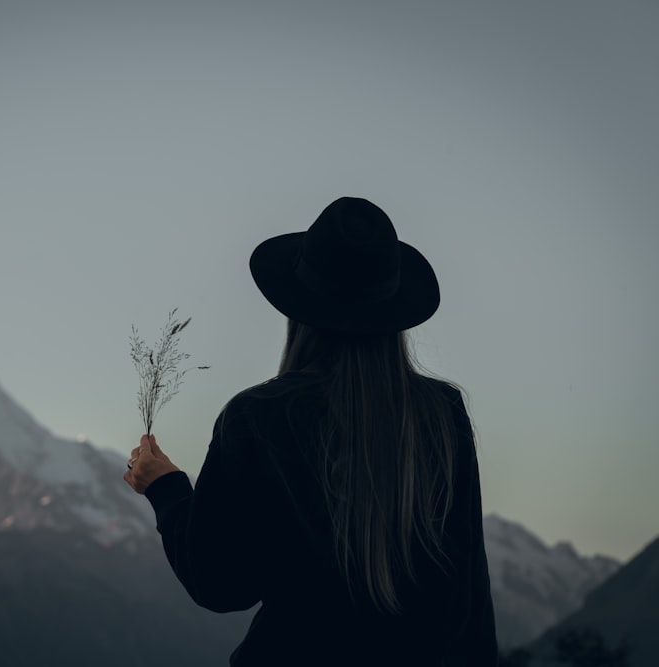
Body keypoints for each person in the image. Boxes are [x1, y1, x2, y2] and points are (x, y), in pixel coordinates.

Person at [123, 197, 499, 666]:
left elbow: (220, 584)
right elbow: (469, 590)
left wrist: (166, 489)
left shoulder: (260, 416)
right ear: (394, 313)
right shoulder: (442, 414)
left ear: (298, 311)